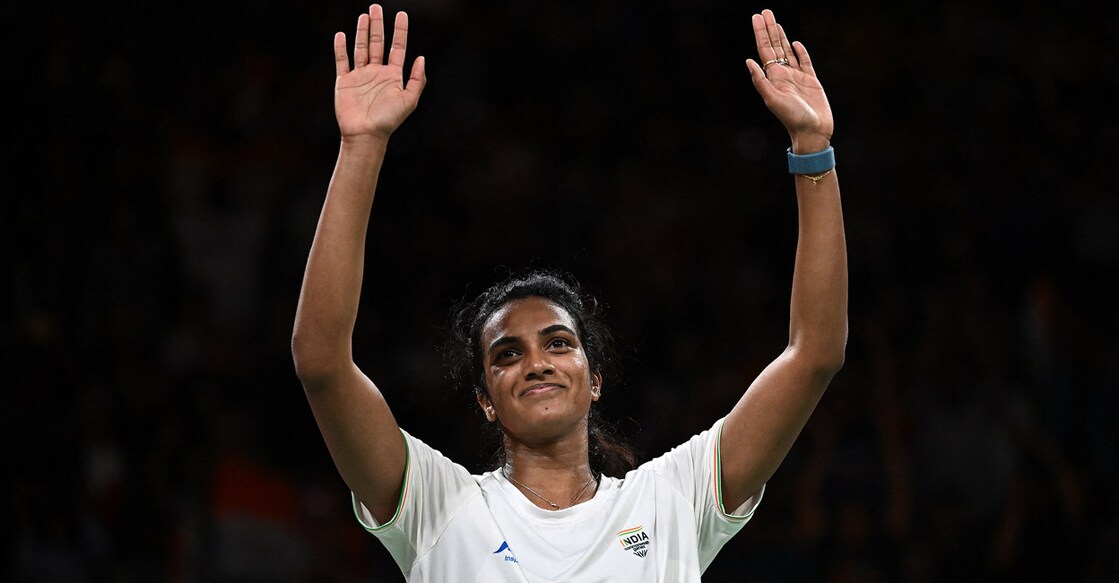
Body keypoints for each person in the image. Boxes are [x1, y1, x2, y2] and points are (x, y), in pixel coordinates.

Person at [291, 4, 847, 581]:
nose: (535, 362)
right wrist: (361, 147)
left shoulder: (671, 502)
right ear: (485, 399)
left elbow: (815, 355)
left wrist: (812, 148)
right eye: (507, 354)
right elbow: (322, 364)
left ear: (595, 376)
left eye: (557, 343)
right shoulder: (439, 507)